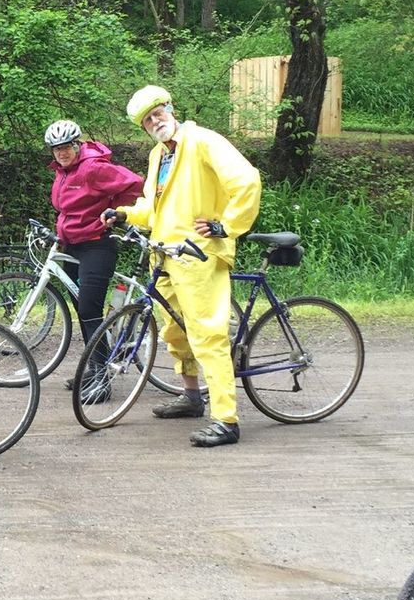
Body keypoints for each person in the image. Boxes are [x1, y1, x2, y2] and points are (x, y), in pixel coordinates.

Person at [102, 85, 261, 448]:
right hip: (165, 254)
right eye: (147, 120)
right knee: (175, 332)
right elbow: (153, 207)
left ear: (171, 109)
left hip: (198, 255)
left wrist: (227, 225)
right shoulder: (159, 155)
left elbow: (247, 180)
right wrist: (125, 214)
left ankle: (226, 419)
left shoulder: (203, 141)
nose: (154, 122)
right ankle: (191, 396)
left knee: (207, 334)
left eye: (158, 113)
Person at [43, 119, 144, 390]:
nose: (62, 153)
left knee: (89, 308)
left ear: (77, 145)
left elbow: (136, 184)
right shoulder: (63, 171)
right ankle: (96, 368)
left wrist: (116, 210)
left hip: (97, 244)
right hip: (72, 245)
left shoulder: (93, 168)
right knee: (83, 309)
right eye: (57, 149)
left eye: (66, 147)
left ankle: (102, 382)